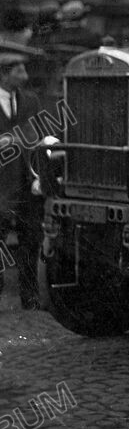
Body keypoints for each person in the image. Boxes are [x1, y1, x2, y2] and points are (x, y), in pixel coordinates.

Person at [0, 40, 45, 309]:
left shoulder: (30, 100)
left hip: (26, 184)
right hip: (0, 185)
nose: (25, 77)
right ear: (3, 74)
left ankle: (30, 295)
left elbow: (37, 135)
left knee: (31, 240)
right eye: (19, 71)